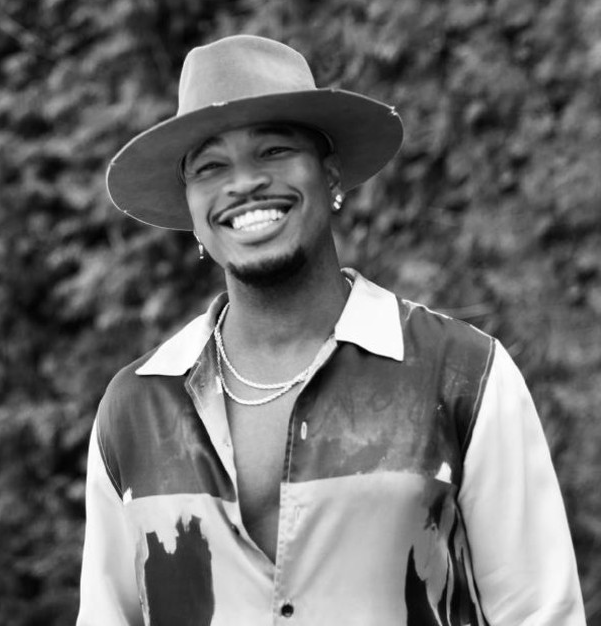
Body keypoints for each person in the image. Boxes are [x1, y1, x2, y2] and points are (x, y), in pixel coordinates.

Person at [77, 35, 585, 625]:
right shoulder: (135, 409)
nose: (244, 183)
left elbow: (541, 612)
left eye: (274, 150)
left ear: (331, 172)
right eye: (211, 166)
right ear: (191, 208)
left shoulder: (462, 374)